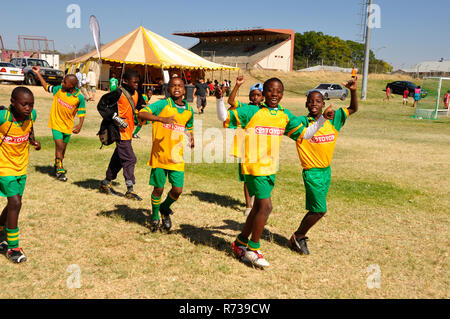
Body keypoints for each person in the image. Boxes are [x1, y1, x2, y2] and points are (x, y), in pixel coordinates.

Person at [215, 78, 334, 269]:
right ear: (264, 93)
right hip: (254, 167)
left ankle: (240, 242)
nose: (274, 95)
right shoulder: (252, 111)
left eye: (278, 92)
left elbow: (306, 134)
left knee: (257, 209)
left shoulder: (284, 115)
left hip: (270, 168)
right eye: (270, 91)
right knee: (266, 207)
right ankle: (253, 249)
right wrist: (220, 100)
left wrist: (322, 119)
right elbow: (224, 117)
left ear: (282, 94)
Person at [289, 77, 358, 255]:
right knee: (320, 210)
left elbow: (353, 109)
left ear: (323, 103)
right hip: (312, 172)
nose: (314, 104)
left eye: (318, 101)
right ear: (306, 104)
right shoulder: (302, 123)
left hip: (326, 171)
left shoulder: (333, 120)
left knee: (316, 209)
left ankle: (298, 236)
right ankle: (298, 236)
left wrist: (354, 91)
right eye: (311, 101)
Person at [137, 77, 194, 232]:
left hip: (177, 157)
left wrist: (191, 138)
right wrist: (161, 119)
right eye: (173, 86)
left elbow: (188, 126)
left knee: (177, 190)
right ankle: (155, 216)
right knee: (159, 189)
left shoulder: (189, 109)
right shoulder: (162, 104)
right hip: (160, 156)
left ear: (185, 89)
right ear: (169, 89)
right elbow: (142, 114)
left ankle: (164, 207)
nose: (177, 88)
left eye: (180, 86)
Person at [0, 87, 41, 263]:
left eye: (31, 104)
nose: (28, 108)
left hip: (21, 167)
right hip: (4, 167)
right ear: (12, 103)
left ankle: (1, 229)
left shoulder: (32, 115)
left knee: (13, 205)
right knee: (15, 202)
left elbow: (29, 129)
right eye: (24, 104)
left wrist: (33, 140)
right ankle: (13, 248)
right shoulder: (3, 118)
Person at [99, 69, 146, 200]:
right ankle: (130, 189)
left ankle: (106, 182)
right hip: (118, 132)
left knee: (119, 158)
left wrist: (147, 114)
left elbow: (142, 106)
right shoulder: (118, 93)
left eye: (138, 82)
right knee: (130, 159)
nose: (136, 84)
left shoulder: (137, 93)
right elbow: (101, 105)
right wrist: (116, 118)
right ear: (126, 81)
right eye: (134, 82)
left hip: (128, 131)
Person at [32, 66, 85, 182]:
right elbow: (46, 87)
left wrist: (79, 125)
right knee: (59, 146)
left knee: (63, 150)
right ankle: (60, 171)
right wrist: (38, 74)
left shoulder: (79, 98)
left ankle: (57, 164)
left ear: (71, 85)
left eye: (64, 82)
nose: (62, 83)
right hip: (56, 124)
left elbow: (82, 112)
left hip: (67, 126)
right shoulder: (58, 90)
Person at [227, 76, 265, 216]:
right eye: (253, 95)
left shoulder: (266, 109)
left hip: (262, 147)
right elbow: (230, 101)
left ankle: (258, 200)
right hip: (246, 147)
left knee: (260, 175)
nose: (255, 97)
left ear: (263, 97)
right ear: (249, 97)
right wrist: (237, 85)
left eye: (258, 95)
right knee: (247, 177)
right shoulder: (244, 107)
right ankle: (248, 206)